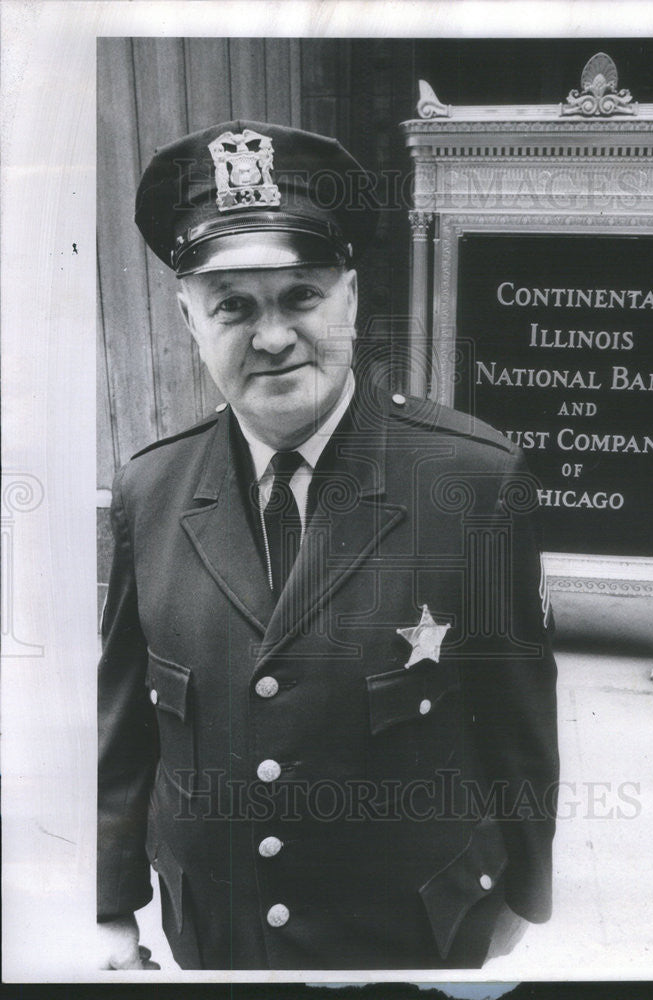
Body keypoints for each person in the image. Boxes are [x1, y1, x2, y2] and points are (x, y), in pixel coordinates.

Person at [97, 119, 559, 971]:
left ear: (349, 296)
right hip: (216, 932)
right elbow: (127, 731)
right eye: (232, 305)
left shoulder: (472, 481)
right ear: (187, 315)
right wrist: (111, 911)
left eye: (299, 297)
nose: (270, 337)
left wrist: (522, 896)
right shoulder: (149, 491)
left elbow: (516, 717)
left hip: (408, 933)